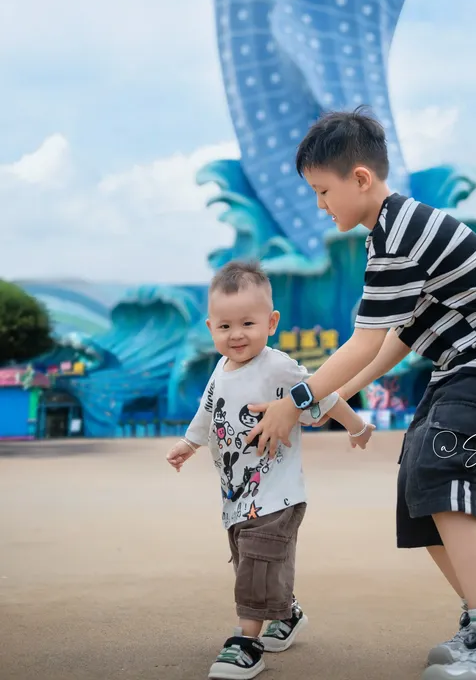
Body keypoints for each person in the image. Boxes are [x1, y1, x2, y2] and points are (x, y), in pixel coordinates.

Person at [245, 108, 476, 680]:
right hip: (466, 364)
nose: (320, 206)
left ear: (360, 179)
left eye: (323, 191)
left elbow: (362, 344)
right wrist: (327, 403)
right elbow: (394, 340)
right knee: (419, 479)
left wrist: (294, 402)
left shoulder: (400, 231)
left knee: (441, 472)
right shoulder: (388, 236)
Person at [166, 260, 373, 680]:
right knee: (252, 561)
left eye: (247, 323)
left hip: (276, 492)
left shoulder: (278, 366)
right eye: (224, 327)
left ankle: (246, 642)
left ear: (271, 322)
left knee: (258, 563)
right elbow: (208, 412)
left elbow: (325, 394)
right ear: (210, 327)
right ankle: (287, 614)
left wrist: (358, 426)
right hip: (238, 494)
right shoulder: (220, 368)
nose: (236, 334)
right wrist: (189, 443)